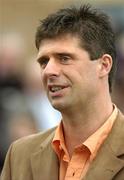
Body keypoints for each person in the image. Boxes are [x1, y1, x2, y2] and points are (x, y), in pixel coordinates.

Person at [1, 4, 124, 180]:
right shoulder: (19, 155)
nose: (48, 71)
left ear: (103, 65)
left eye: (64, 58)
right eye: (44, 61)